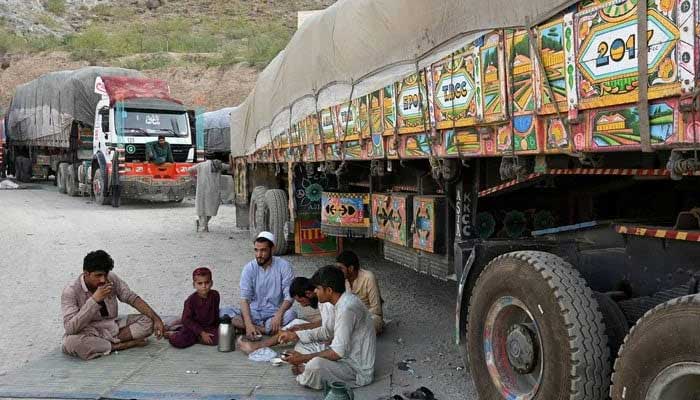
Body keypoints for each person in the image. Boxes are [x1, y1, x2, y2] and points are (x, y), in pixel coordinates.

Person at [276, 265, 376, 390]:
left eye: (318, 288)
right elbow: (327, 331)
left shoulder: (346, 309)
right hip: (344, 356)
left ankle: (306, 370)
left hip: (356, 369)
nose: (315, 292)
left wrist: (303, 358)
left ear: (329, 290)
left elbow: (337, 353)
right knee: (303, 347)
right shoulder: (341, 303)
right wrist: (297, 335)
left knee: (315, 365)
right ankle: (306, 368)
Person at [61, 250, 166, 360]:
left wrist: (157, 319)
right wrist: (94, 300)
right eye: (98, 275)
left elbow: (131, 297)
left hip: (113, 327)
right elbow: (70, 328)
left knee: (148, 321)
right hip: (89, 332)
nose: (103, 279)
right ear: (86, 273)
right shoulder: (71, 291)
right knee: (70, 343)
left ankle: (103, 345)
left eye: (105, 274)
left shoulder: (111, 278)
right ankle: (122, 345)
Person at [220, 231, 297, 338]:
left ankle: (253, 328)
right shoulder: (249, 268)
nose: (259, 255)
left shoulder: (284, 266)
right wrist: (248, 323)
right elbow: (244, 299)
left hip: (274, 314)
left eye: (263, 250)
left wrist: (279, 314)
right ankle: (263, 330)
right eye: (256, 250)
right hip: (253, 313)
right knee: (224, 312)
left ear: (272, 249)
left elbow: (290, 295)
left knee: (291, 314)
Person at [236, 276, 334, 354]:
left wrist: (298, 333)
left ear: (308, 293)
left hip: (333, 340)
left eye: (301, 301)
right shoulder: (321, 300)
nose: (303, 306)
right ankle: (259, 345)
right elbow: (325, 322)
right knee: (295, 324)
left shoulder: (325, 302)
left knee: (300, 347)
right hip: (327, 332)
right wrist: (302, 327)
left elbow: (328, 330)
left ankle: (258, 345)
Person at [168, 267, 220, 349]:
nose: (204, 286)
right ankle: (171, 333)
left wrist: (218, 327)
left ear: (211, 283)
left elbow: (215, 313)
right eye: (200, 283)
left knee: (220, 338)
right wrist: (201, 333)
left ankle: (195, 337)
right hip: (193, 328)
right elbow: (186, 320)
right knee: (178, 341)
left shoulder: (215, 295)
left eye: (207, 282)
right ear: (194, 285)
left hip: (208, 327)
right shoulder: (190, 300)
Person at [335, 250, 384, 334]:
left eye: (341, 268)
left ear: (350, 268)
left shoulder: (368, 277)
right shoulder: (341, 278)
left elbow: (376, 309)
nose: (338, 271)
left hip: (368, 316)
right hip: (350, 316)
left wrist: (356, 318)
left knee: (374, 322)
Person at [188, 159, 224, 232]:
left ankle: (201, 224)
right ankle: (204, 227)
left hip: (211, 191)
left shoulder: (217, 165)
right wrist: (194, 178)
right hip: (204, 191)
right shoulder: (202, 165)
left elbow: (189, 170)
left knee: (210, 210)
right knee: (203, 209)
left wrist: (193, 177)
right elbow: (190, 170)